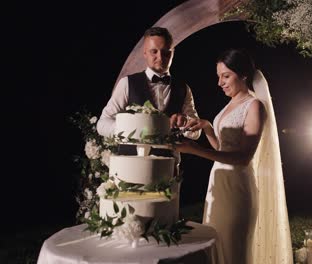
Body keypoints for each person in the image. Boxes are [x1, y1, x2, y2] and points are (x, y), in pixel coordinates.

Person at [175, 49, 293, 264]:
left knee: (232, 251)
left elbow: (242, 157)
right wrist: (208, 128)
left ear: (243, 75)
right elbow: (224, 148)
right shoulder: (229, 105)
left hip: (238, 190)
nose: (220, 82)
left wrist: (194, 150)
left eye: (226, 76)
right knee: (216, 250)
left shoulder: (255, 106)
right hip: (218, 187)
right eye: (218, 76)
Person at [96, 26, 200, 141]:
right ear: (144, 53)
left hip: (169, 158)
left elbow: (196, 133)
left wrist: (185, 123)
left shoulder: (184, 88)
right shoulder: (127, 83)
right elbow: (102, 124)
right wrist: (129, 130)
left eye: (166, 52)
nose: (160, 57)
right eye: (154, 51)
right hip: (133, 158)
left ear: (173, 53)